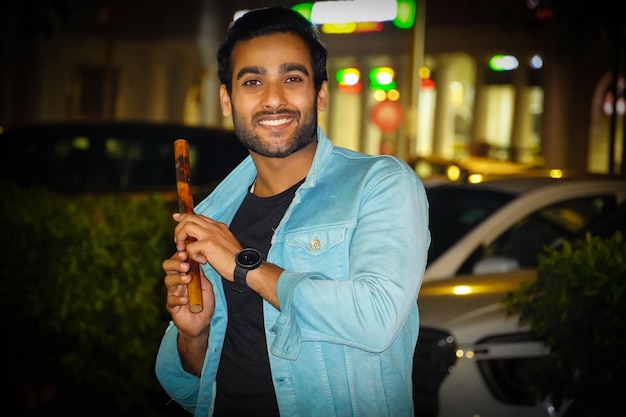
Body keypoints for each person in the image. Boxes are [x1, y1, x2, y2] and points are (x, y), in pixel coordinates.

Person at [155, 6, 430, 417]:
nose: (273, 99)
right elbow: (196, 386)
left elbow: (377, 319)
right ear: (227, 100)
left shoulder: (380, 185)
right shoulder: (212, 215)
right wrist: (193, 336)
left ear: (320, 93)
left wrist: (244, 266)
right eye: (252, 81)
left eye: (292, 78)